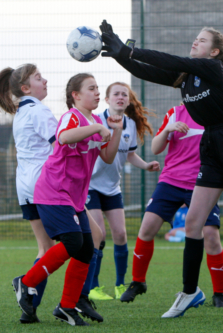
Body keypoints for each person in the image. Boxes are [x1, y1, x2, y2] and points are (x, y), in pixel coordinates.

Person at [100, 21, 223, 318]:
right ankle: (189, 292)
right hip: (211, 148)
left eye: (200, 41)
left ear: (214, 52)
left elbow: (172, 60)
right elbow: (147, 71)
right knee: (191, 225)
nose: (193, 43)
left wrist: (129, 48)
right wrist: (122, 56)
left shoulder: (213, 68)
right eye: (194, 39)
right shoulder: (187, 78)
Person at [11, 72, 123, 326]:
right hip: (52, 191)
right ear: (76, 95)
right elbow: (63, 138)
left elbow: (107, 156)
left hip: (73, 196)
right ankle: (25, 283)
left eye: (97, 88)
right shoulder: (70, 118)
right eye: (91, 88)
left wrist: (115, 131)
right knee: (73, 242)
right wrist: (97, 127)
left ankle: (67, 306)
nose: (97, 92)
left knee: (86, 249)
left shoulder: (95, 120)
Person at [120, 104, 223, 308]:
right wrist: (168, 129)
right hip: (171, 180)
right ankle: (138, 282)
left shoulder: (217, 112)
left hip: (203, 182)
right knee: (147, 227)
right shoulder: (175, 112)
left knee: (212, 236)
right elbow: (155, 148)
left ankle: (220, 294)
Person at [0, 64, 57, 324]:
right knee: (89, 239)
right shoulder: (40, 111)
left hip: (26, 187)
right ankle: (74, 302)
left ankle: (29, 304)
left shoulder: (20, 112)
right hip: (47, 186)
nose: (46, 80)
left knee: (46, 247)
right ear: (25, 88)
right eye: (39, 78)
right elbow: (62, 147)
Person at [85, 82, 160, 301]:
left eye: (124, 95)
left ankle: (120, 284)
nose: (120, 97)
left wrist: (146, 165)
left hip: (112, 188)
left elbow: (129, 154)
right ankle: (94, 287)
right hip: (90, 186)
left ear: (128, 100)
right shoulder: (96, 121)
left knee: (121, 234)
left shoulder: (130, 125)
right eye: (116, 94)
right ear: (107, 99)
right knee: (99, 237)